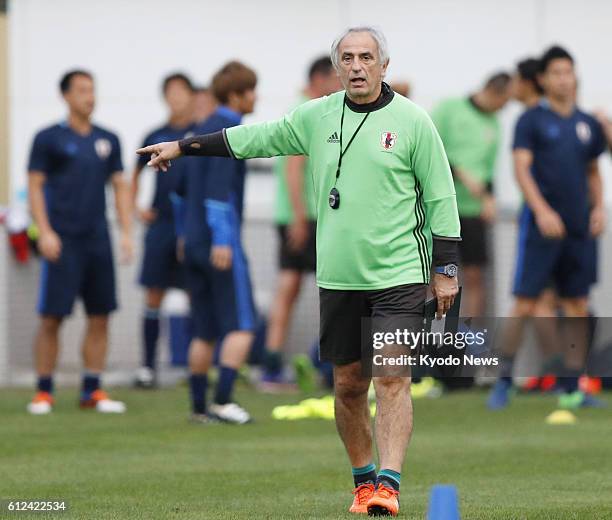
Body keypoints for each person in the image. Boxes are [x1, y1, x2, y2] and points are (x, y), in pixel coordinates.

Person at [138, 27, 460, 516]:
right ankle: (363, 482)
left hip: (400, 274)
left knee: (392, 377)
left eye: (366, 58)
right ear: (337, 69)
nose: (357, 66)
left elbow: (441, 195)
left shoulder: (413, 121)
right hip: (339, 277)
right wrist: (183, 147)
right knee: (349, 385)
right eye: (347, 58)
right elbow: (253, 138)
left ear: (383, 65)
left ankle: (389, 487)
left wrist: (447, 268)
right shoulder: (316, 116)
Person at [488, 46, 606, 411]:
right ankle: (503, 381)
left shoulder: (587, 123)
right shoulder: (531, 121)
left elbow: (592, 171)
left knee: (576, 304)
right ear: (543, 79)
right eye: (556, 73)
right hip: (541, 228)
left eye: (568, 72)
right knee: (524, 303)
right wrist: (541, 211)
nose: (563, 79)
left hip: (579, 229)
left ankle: (572, 387)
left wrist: (599, 207)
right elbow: (522, 169)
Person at [27, 70, 133, 414]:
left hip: (97, 240)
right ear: (66, 96)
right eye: (82, 90)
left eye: (93, 90)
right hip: (63, 240)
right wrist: (44, 230)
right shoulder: (47, 139)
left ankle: (92, 390)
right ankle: (44, 391)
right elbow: (35, 186)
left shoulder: (109, 139)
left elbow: (119, 186)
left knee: (100, 315)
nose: (90, 96)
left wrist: (127, 233)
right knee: (52, 318)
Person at [172, 61, 258, 424]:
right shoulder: (229, 130)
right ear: (235, 95)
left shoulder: (197, 131)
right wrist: (223, 240)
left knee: (204, 328)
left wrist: (183, 234)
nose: (256, 96)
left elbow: (177, 192)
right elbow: (218, 193)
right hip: (218, 243)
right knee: (241, 324)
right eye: (251, 90)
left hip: (191, 242)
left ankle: (197, 409)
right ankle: (222, 401)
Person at [260, 56, 340, 390]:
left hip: (308, 216)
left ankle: (286, 364)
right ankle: (279, 364)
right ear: (319, 80)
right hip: (303, 217)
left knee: (294, 289)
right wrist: (298, 218)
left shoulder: (318, 110)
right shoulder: (309, 113)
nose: (340, 85)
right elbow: (293, 169)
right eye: (335, 78)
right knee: (309, 289)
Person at [131, 73, 196, 388]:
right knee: (154, 294)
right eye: (170, 92)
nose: (176, 98)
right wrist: (135, 208)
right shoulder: (155, 133)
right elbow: (131, 175)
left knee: (194, 294)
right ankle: (147, 367)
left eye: (181, 92)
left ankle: (192, 365)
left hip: (190, 226)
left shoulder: (200, 133)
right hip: (161, 225)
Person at [432, 72, 511, 317]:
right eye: (505, 101)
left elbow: (487, 172)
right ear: (493, 92)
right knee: (434, 276)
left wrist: (489, 199)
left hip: (473, 212)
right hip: (442, 209)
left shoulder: (494, 124)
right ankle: (428, 336)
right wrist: (461, 174)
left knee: (475, 276)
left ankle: (467, 338)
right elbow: (431, 151)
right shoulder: (449, 109)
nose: (505, 107)